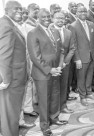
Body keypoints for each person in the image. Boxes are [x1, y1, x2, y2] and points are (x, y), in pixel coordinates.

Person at [27, 8, 66, 136]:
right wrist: (50, 70)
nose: (46, 19)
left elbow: (60, 50)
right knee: (44, 100)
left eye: (48, 16)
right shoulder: (33, 33)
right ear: (37, 18)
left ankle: (54, 118)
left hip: (56, 70)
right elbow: (35, 57)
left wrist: (59, 67)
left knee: (55, 96)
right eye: (43, 17)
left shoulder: (54, 31)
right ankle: (45, 126)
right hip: (42, 74)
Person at [0, 0, 27, 136]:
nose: (19, 12)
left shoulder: (9, 24)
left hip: (15, 76)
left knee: (11, 112)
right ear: (6, 10)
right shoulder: (6, 26)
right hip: (12, 79)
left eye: (20, 9)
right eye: (15, 9)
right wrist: (6, 80)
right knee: (10, 114)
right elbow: (4, 54)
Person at [69, 6, 94, 106]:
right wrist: (77, 59)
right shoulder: (73, 26)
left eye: (84, 11)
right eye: (80, 11)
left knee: (89, 75)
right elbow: (73, 44)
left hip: (91, 55)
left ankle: (89, 92)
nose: (83, 13)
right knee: (81, 77)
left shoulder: (91, 24)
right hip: (81, 57)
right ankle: (82, 96)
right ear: (76, 13)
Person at [49, 12, 76, 114]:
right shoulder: (49, 31)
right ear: (53, 19)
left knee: (64, 86)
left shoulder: (68, 32)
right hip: (53, 65)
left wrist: (65, 62)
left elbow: (72, 48)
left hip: (65, 65)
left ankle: (63, 106)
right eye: (58, 18)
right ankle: (54, 109)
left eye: (62, 18)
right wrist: (58, 64)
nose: (60, 20)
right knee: (54, 88)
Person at [19, 3, 40, 128]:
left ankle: (29, 107)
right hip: (24, 59)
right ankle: (26, 109)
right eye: (23, 13)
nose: (24, 15)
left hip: (30, 57)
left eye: (25, 13)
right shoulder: (24, 26)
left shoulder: (26, 25)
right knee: (27, 84)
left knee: (30, 84)